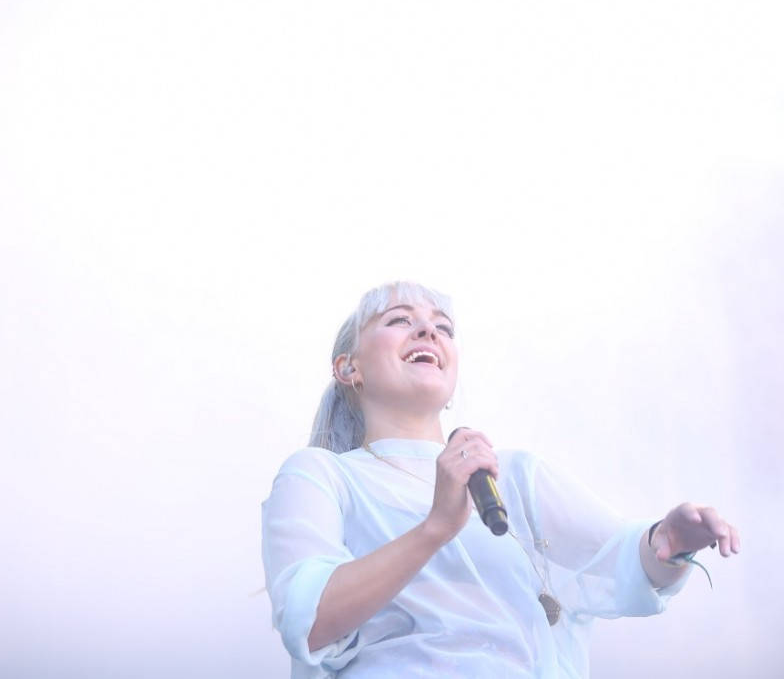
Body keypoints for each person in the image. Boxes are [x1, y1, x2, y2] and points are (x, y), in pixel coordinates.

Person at [261, 280, 740, 678]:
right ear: (348, 367)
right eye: (400, 320)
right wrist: (435, 528)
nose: (428, 330)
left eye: (443, 327)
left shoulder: (514, 477)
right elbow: (310, 620)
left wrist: (668, 541)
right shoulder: (320, 475)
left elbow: (621, 559)